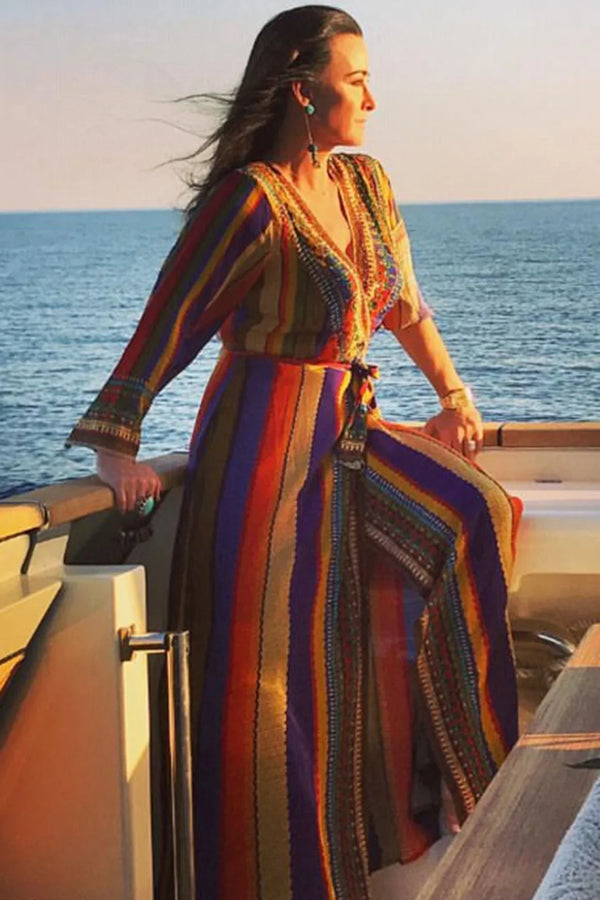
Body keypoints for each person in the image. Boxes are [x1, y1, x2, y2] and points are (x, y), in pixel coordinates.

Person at [67, 6, 521, 898]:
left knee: (477, 511)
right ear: (302, 89)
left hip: (348, 429)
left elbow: (405, 307)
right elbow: (168, 324)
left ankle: (480, 789)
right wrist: (117, 444)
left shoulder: (366, 185)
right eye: (357, 81)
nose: (373, 100)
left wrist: (453, 395)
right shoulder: (249, 199)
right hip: (261, 453)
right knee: (275, 683)